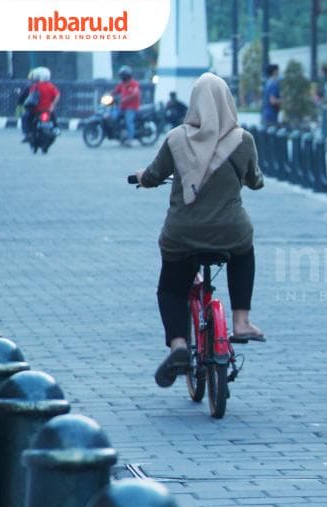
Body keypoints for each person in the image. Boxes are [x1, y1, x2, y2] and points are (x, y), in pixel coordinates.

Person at [133, 73, 266, 388]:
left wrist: (141, 177)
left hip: (182, 235)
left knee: (170, 288)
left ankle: (179, 345)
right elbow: (256, 180)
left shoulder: (177, 138)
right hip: (230, 233)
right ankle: (241, 321)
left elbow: (153, 175)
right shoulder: (243, 140)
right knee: (243, 253)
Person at [19, 67, 60, 141]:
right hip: (48, 109)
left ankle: (27, 134)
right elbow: (57, 95)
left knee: (25, 117)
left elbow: (30, 96)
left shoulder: (35, 86)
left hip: (36, 110)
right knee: (54, 118)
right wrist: (53, 105)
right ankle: (56, 128)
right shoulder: (51, 86)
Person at [112, 65, 140, 144]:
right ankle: (119, 134)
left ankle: (130, 139)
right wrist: (108, 95)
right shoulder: (122, 84)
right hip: (122, 106)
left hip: (131, 107)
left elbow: (135, 94)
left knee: (129, 121)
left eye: (123, 75)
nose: (122, 77)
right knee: (115, 117)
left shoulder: (134, 84)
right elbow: (115, 91)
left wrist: (125, 99)